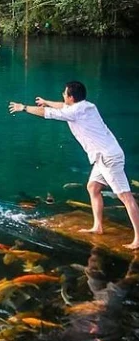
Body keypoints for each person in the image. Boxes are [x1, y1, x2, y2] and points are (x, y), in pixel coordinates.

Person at [9, 81, 139, 251]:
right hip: (105, 155)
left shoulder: (75, 112)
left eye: (64, 93)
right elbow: (62, 106)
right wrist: (47, 101)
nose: (63, 95)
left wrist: (24, 108)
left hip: (108, 158)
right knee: (93, 187)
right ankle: (97, 227)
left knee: (126, 197)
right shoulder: (87, 106)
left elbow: (46, 113)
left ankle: (138, 238)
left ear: (71, 97)